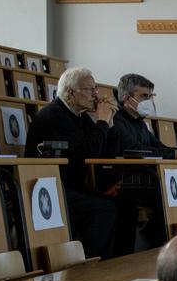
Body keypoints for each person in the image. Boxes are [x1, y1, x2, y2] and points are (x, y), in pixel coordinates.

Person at [24, 67, 137, 258]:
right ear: (70, 93)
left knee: (127, 205)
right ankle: (93, 266)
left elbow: (104, 156)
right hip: (50, 188)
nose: (96, 95)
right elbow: (86, 153)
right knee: (103, 209)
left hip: (73, 187)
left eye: (96, 89)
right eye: (89, 90)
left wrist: (109, 125)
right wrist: (101, 123)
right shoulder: (53, 116)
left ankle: (120, 264)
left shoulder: (81, 117)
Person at [106, 73, 177, 160]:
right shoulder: (115, 118)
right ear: (127, 98)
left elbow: (158, 147)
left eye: (150, 96)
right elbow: (135, 151)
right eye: (144, 96)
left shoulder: (139, 121)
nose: (148, 101)